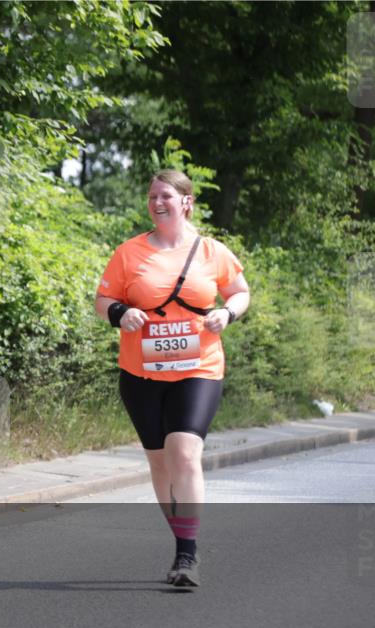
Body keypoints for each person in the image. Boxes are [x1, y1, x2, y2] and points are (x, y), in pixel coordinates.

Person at [94, 169, 250, 587]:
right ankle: (182, 538)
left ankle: (187, 554)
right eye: (152, 197)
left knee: (183, 453)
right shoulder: (128, 252)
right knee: (160, 463)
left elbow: (240, 292)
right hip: (140, 372)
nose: (157, 203)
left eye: (166, 196)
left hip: (199, 367)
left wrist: (227, 313)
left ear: (186, 202)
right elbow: (103, 299)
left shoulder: (212, 251)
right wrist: (120, 312)